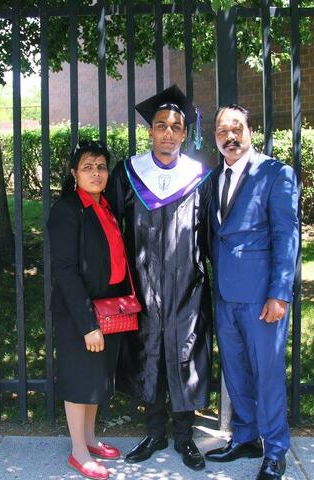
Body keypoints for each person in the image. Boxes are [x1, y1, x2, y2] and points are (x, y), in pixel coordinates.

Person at [105, 85, 212, 471]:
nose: (168, 132)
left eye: (176, 126)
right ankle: (154, 432)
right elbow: (111, 230)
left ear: (185, 134)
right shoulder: (129, 173)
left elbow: (212, 234)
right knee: (149, 353)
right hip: (143, 284)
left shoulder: (199, 177)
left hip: (188, 286)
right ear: (150, 131)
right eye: (161, 125)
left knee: (185, 355)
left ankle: (184, 437)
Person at [205, 104, 299, 480]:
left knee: (268, 373)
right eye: (222, 130)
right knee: (236, 371)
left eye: (237, 128)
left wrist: (280, 293)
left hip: (263, 297)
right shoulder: (214, 178)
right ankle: (245, 436)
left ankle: (275, 449)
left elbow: (286, 235)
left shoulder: (276, 174)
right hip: (225, 294)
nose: (230, 136)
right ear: (215, 136)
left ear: (250, 131)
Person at [47, 140, 130, 480]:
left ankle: (91, 440)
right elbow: (66, 271)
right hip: (79, 313)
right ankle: (78, 453)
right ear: (73, 173)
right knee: (80, 379)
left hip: (107, 309)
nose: (96, 173)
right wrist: (87, 325)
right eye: (87, 167)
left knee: (95, 378)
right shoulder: (67, 210)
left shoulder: (104, 205)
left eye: (100, 166)